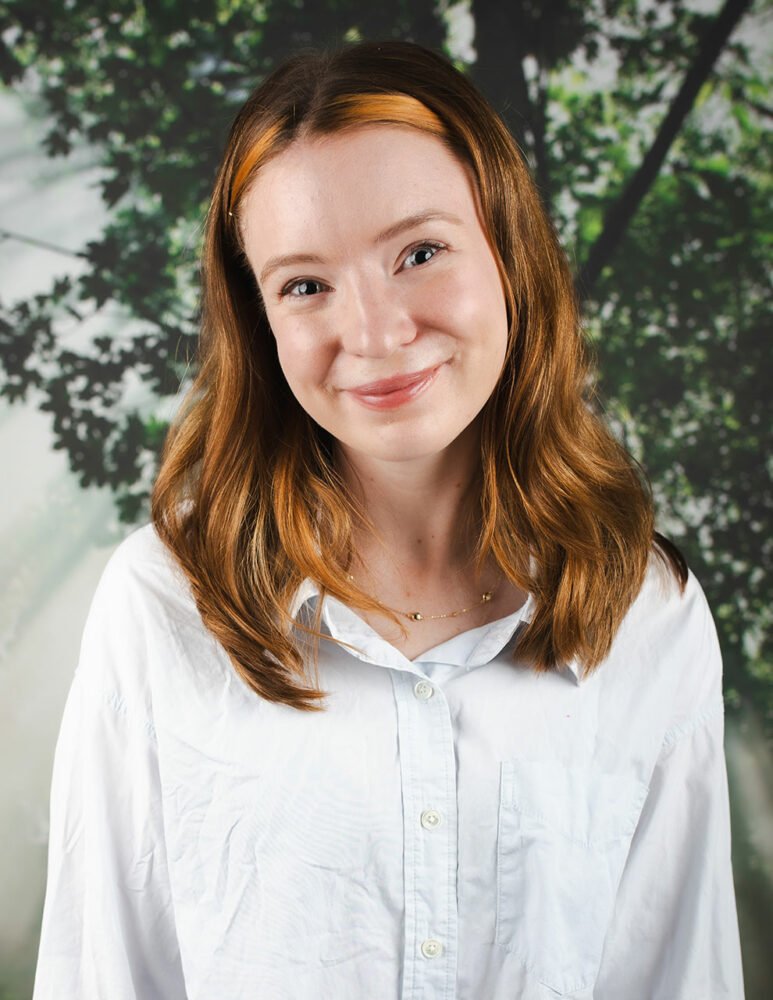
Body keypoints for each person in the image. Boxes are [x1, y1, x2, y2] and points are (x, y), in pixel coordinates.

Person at [33, 40, 744, 1000]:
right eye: (304, 284)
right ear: (260, 322)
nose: (373, 333)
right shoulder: (162, 604)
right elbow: (102, 975)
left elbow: (677, 977)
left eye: (419, 252)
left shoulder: (651, 616)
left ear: (508, 252)